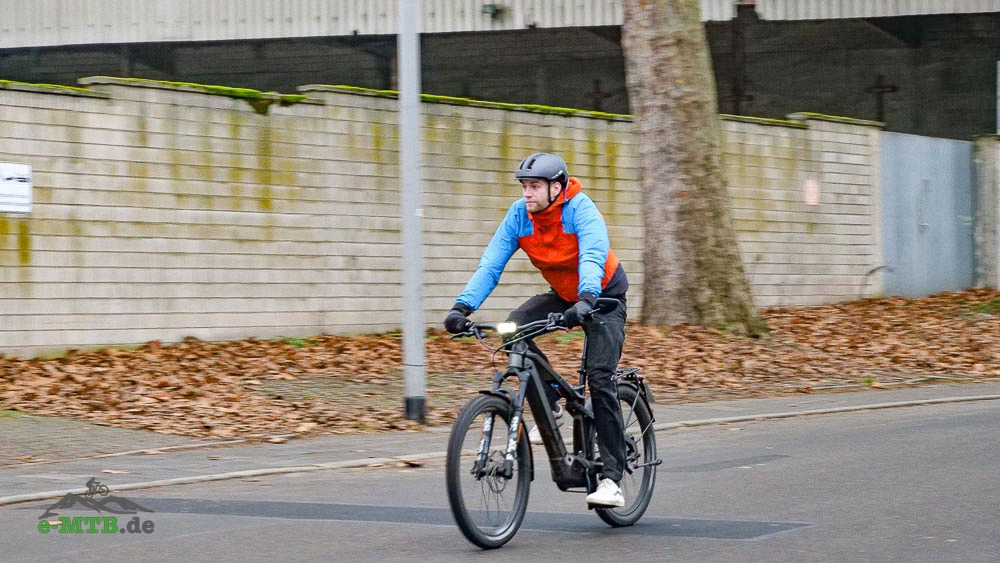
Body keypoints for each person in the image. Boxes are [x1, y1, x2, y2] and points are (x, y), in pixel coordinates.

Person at [443, 152, 629, 508]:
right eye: (524, 186)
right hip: (564, 295)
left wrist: (588, 298)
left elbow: (592, 255)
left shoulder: (580, 209)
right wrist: (462, 307)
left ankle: (612, 480)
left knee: (600, 378)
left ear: (556, 188)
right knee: (513, 328)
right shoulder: (519, 215)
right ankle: (552, 401)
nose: (527, 193)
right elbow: (491, 264)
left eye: (534, 186)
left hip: (602, 296)